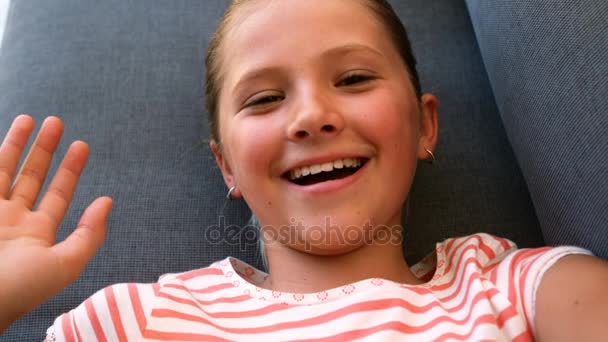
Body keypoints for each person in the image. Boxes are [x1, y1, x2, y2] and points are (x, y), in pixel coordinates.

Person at [1, 0, 607, 340]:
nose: (312, 116)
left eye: (354, 79)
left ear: (425, 125)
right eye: (264, 99)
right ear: (226, 165)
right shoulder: (135, 322)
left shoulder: (509, 289)